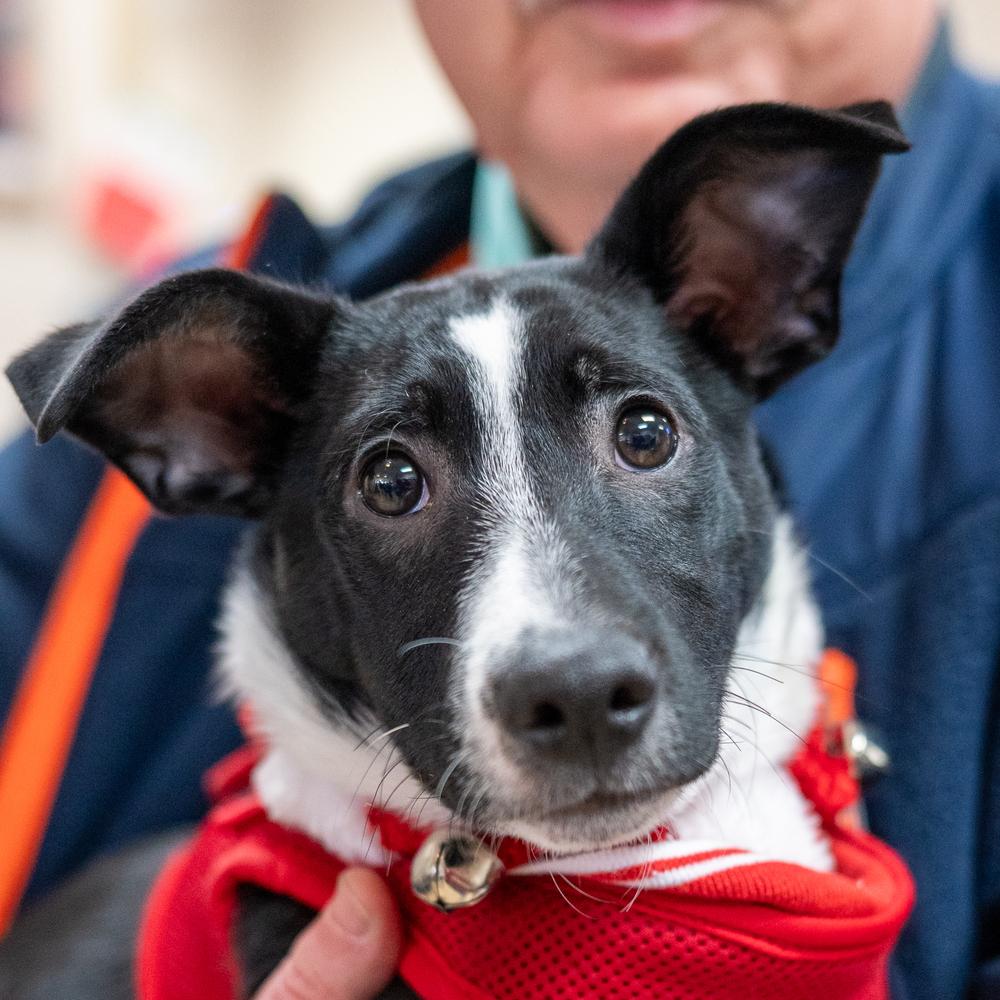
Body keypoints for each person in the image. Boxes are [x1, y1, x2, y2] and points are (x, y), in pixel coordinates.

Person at [0, 1, 997, 997]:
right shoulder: (134, 431)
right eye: (397, 483)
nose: (564, 661)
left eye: (640, 438)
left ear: (767, 278)